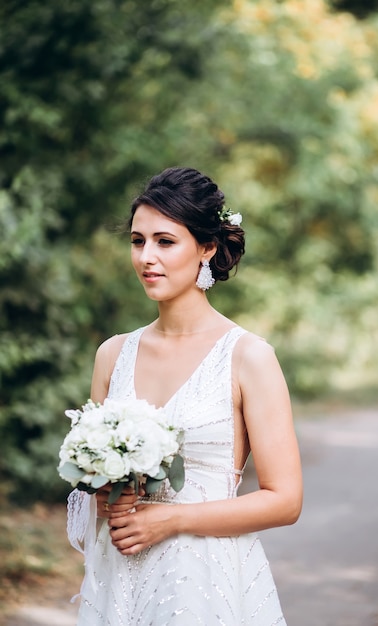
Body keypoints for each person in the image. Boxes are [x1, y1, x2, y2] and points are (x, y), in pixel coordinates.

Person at [67, 166, 303, 625]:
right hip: (120, 572)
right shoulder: (112, 354)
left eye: (165, 241)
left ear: (207, 248)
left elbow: (285, 499)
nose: (146, 257)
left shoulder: (248, 357)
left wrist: (170, 520)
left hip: (203, 580)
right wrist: (101, 492)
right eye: (137, 241)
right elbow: (88, 483)